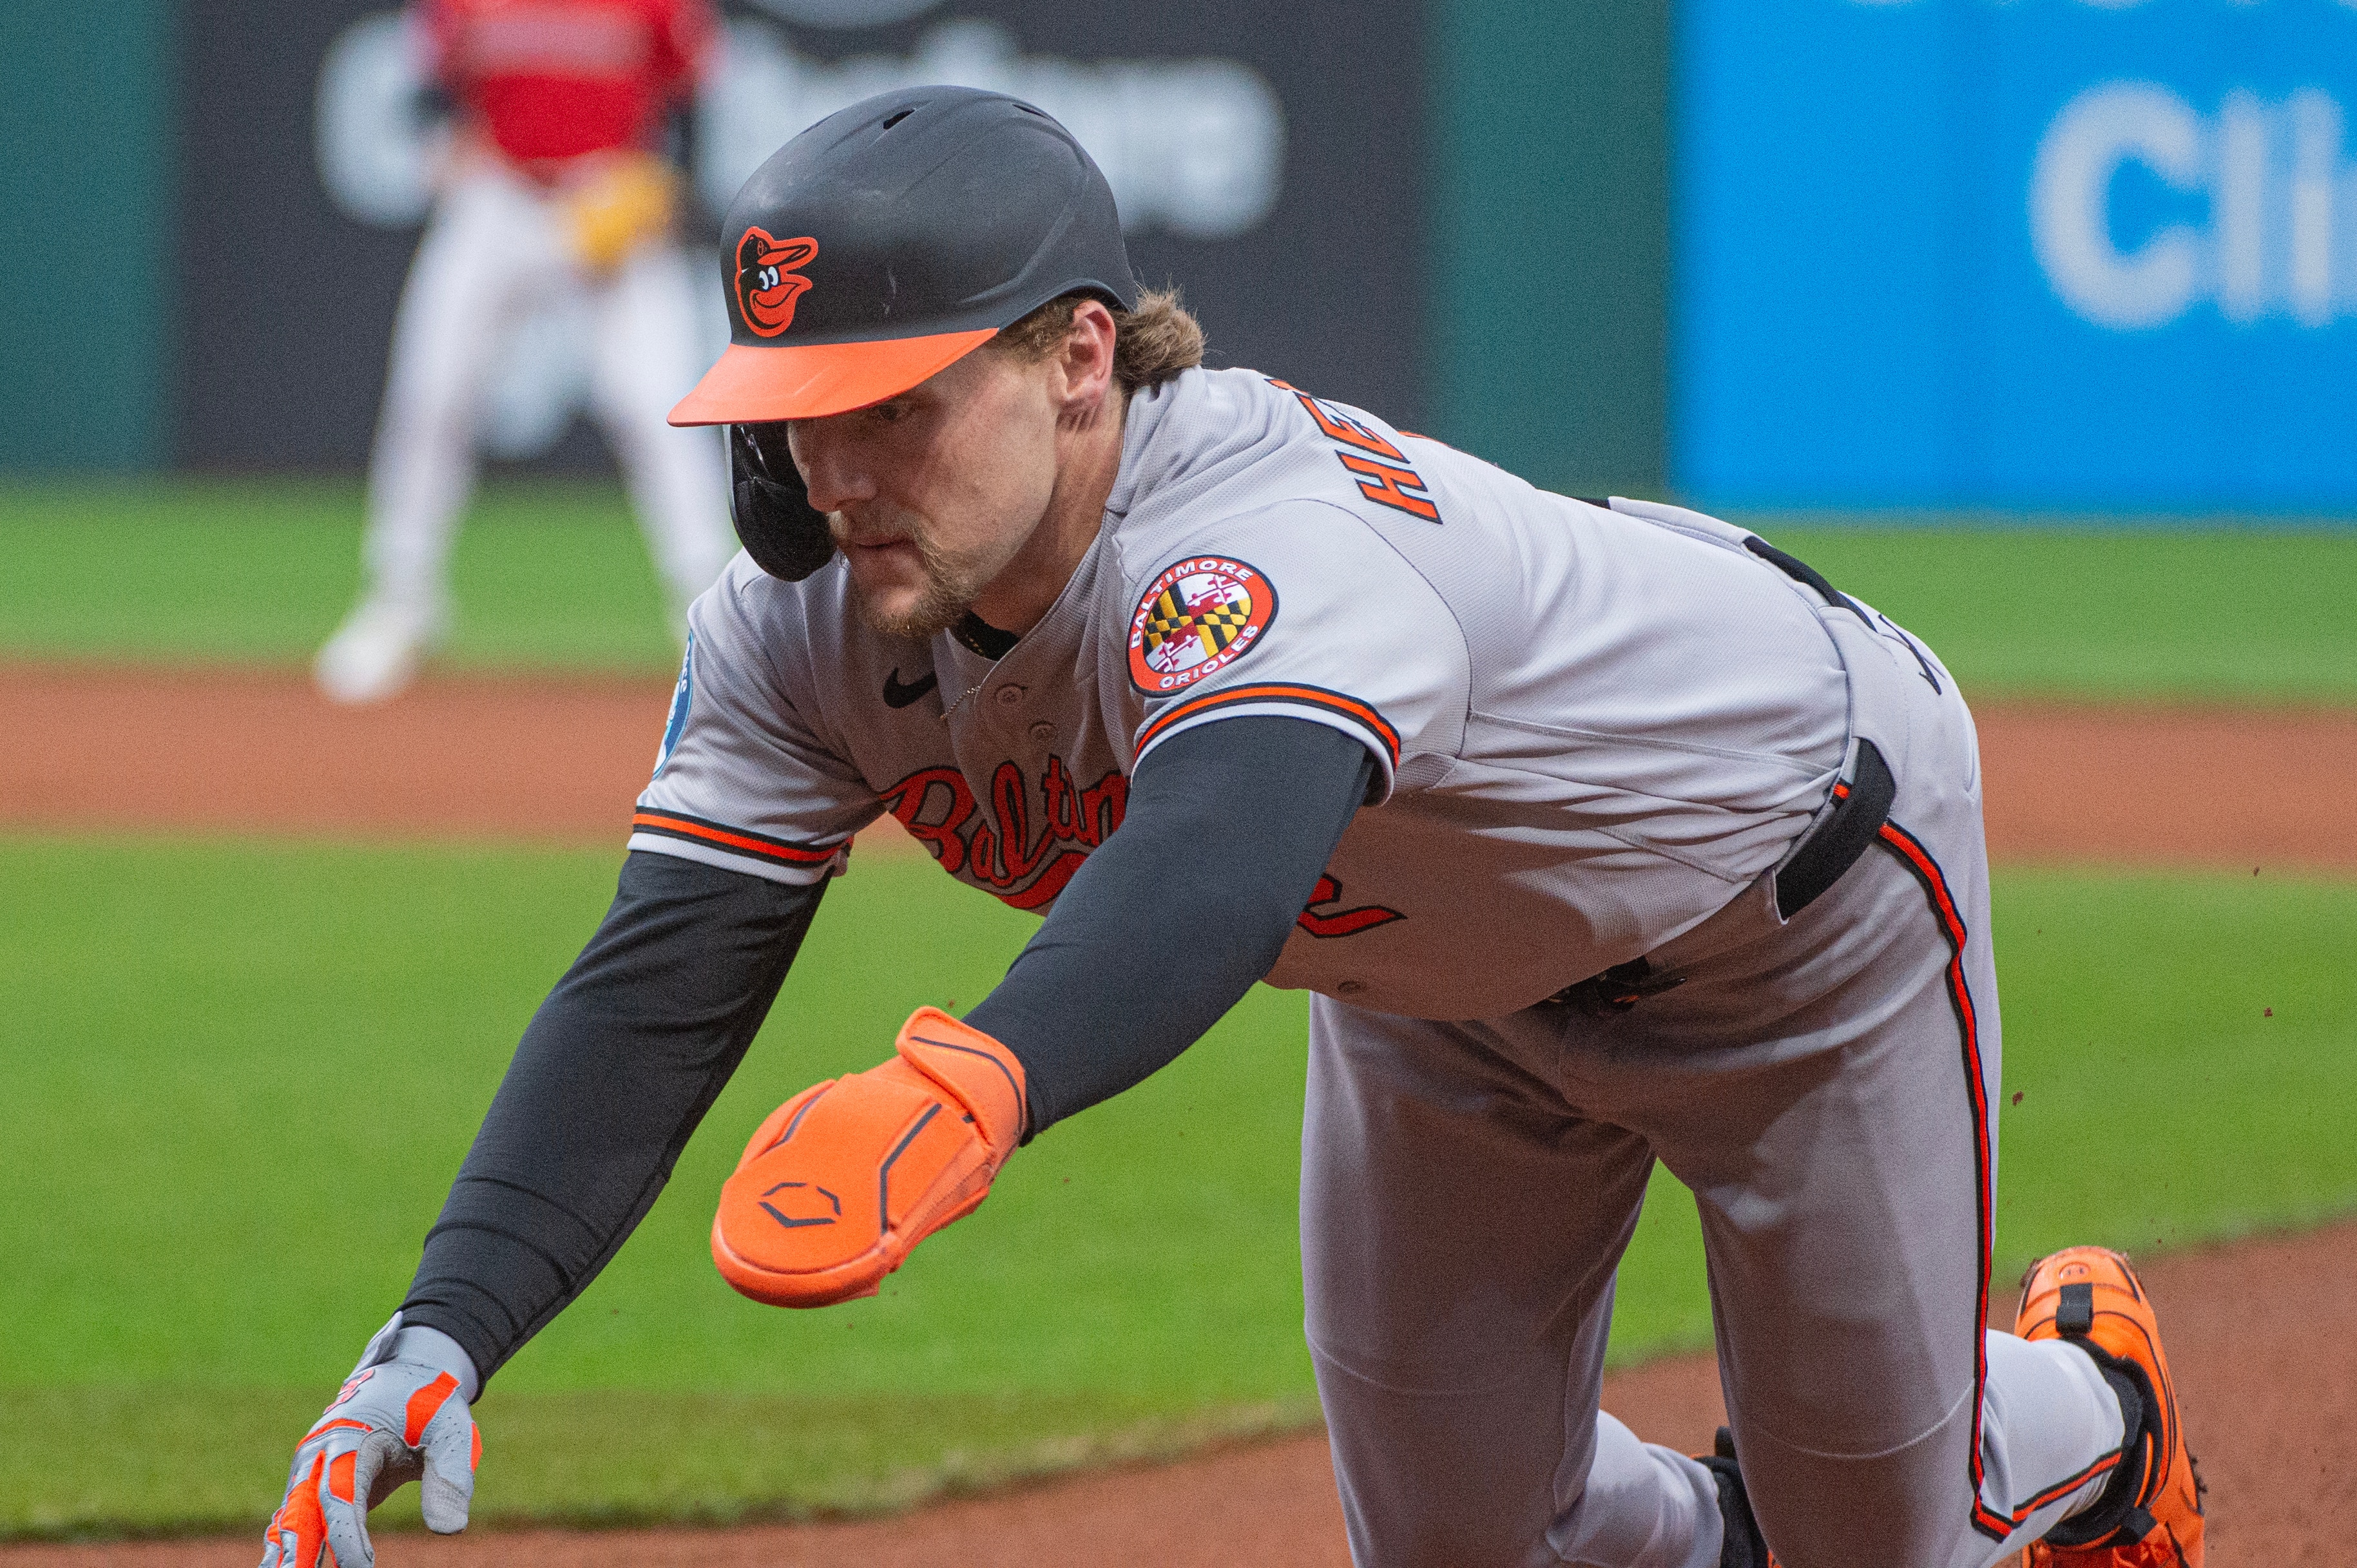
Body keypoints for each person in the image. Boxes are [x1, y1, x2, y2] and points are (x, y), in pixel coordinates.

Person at [261, 88, 2205, 1568]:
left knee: (1895, 1540)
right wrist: (445, 1320)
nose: (831, 472)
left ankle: (2090, 1401)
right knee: (1465, 1542)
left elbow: (1215, 848)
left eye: (893, 406)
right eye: (788, 416)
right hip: (1436, 982)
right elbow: (659, 971)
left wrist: (977, 1081)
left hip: (1791, 913)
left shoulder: (1249, 537)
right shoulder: (805, 620)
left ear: (1080, 355)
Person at [313, 0, 736, 704]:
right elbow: (427, 91)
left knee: (662, 410)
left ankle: (716, 623)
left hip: (608, 194)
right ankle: (400, 599)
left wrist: (664, 187)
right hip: (499, 196)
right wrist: (444, 141)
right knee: (432, 395)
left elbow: (693, 96)